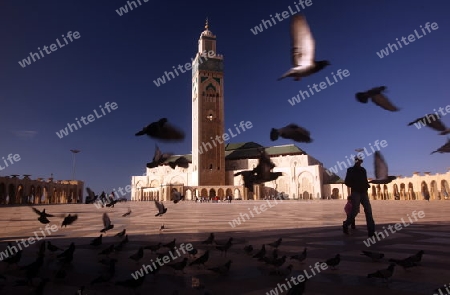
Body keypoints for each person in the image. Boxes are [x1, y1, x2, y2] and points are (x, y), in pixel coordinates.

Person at [343, 156, 375, 237]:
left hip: (364, 193)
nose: (359, 162)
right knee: (355, 211)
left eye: (360, 161)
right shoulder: (350, 170)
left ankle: (371, 232)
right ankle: (346, 224)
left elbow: (364, 180)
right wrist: (356, 185)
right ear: (355, 161)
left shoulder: (363, 170)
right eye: (358, 160)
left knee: (369, 211)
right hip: (356, 193)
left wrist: (366, 185)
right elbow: (347, 182)